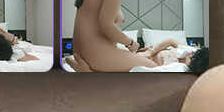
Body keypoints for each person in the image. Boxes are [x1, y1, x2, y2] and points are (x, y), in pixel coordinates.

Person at [71, 0, 163, 71]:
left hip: (84, 55)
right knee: (154, 68)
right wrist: (131, 43)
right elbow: (107, 26)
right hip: (98, 55)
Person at [66, 41, 211, 73]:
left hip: (148, 63)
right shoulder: (186, 50)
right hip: (146, 54)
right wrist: (151, 52)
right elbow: (170, 41)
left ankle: (89, 72)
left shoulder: (178, 68)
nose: (190, 54)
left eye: (191, 56)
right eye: (192, 52)